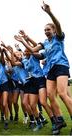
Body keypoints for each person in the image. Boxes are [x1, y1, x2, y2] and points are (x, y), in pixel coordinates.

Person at [19, 2, 72, 134]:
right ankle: (60, 120)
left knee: (62, 93)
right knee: (50, 96)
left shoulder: (58, 38)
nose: (46, 31)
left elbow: (58, 25)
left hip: (61, 66)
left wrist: (49, 12)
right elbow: (32, 50)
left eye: (48, 29)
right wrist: (23, 41)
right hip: (49, 70)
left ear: (54, 31)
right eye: (45, 30)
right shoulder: (45, 43)